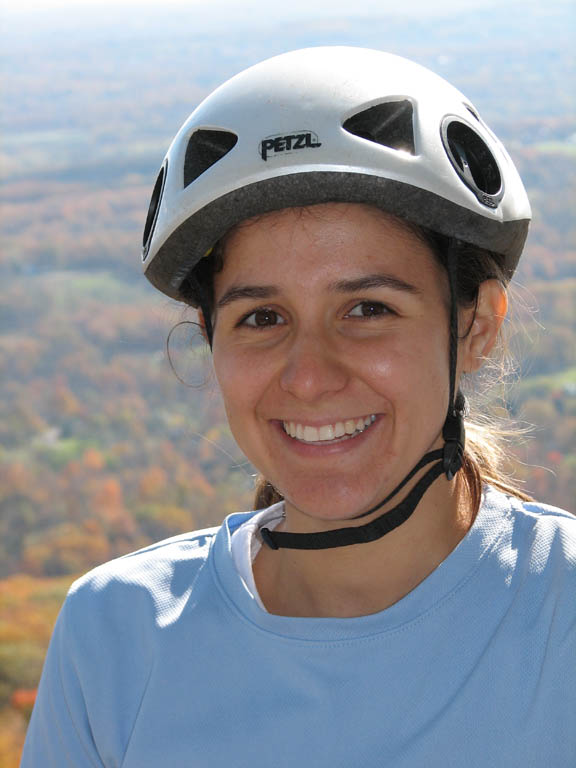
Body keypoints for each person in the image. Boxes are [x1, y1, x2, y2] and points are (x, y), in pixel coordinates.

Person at [22, 47, 575, 767]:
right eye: (261, 318)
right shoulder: (115, 638)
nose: (309, 377)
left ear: (475, 327)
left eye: (367, 308)